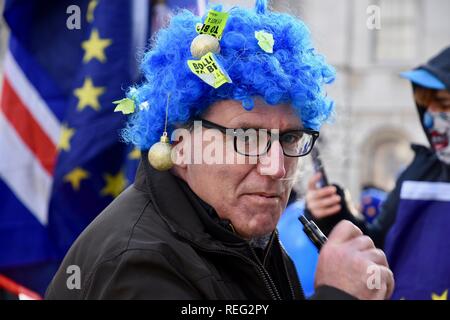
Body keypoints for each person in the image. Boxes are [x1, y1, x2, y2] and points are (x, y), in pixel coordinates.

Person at [45, 0, 393, 300]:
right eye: (246, 137)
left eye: (289, 139)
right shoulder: (138, 261)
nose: (276, 167)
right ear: (180, 145)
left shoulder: (235, 231)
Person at [304, 46, 450, 299]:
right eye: (427, 106)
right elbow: (378, 247)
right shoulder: (420, 173)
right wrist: (333, 215)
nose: (431, 118)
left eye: (445, 104)